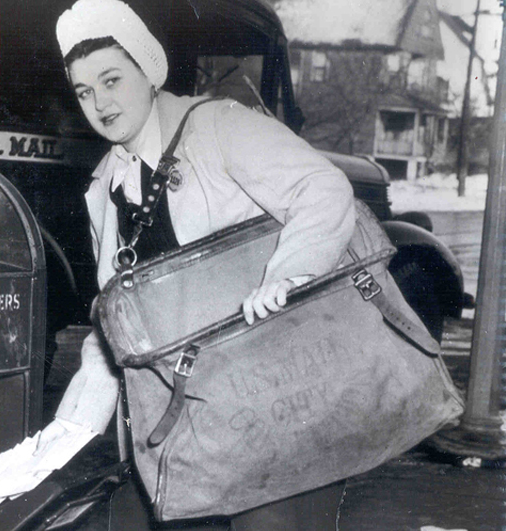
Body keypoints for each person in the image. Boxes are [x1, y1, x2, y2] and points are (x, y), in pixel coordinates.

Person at [35, 0, 356, 529]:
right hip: (184, 422)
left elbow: (322, 187)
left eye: (112, 80)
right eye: (85, 91)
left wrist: (288, 275)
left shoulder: (219, 127)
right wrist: (64, 440)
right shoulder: (104, 187)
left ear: (149, 69)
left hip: (269, 400)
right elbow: (117, 329)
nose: (100, 103)